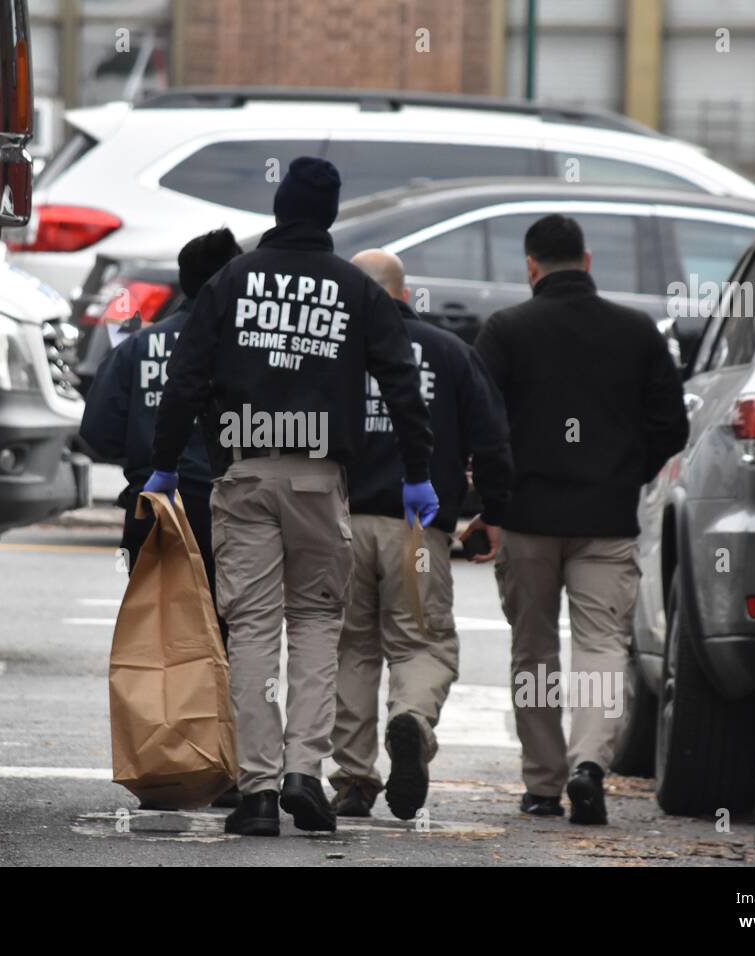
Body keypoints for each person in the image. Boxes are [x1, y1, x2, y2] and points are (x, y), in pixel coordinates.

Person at [148, 157, 436, 836]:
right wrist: (417, 471)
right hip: (320, 476)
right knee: (314, 623)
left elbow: (185, 376)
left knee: (250, 628)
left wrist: (163, 465)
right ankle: (306, 773)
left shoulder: (230, 280)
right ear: (331, 216)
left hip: (245, 472)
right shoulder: (355, 289)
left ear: (277, 208)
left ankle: (255, 792)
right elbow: (400, 379)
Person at [465, 214, 688, 825]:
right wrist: (623, 470)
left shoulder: (507, 329)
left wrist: (491, 502)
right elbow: (672, 425)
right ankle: (590, 765)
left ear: (531, 266)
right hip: (607, 517)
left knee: (533, 649)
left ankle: (543, 783)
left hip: (527, 518)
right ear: (587, 262)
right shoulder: (636, 330)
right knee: (600, 645)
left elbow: (480, 424)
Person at [329, 249, 513, 821]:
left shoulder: (331, 350)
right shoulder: (450, 353)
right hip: (419, 531)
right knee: (423, 642)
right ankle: (410, 719)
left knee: (349, 649)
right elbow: (491, 438)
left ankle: (354, 778)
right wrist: (495, 510)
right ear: (404, 294)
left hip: (340, 525)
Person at [79, 228, 243, 630]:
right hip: (229, 509)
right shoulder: (245, 349)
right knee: (230, 632)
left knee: (157, 636)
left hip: (151, 508)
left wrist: (141, 453)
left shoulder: (136, 347)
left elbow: (97, 432)